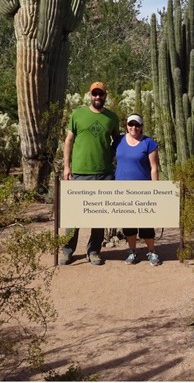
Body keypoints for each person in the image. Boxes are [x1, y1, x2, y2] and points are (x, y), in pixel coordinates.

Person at [61, 81, 120, 266]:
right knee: (74, 215)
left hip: (104, 172)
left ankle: (94, 251)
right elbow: (69, 141)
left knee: (99, 215)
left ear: (105, 96)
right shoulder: (78, 114)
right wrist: (67, 166)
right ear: (90, 95)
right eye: (94, 94)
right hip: (81, 171)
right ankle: (67, 250)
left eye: (100, 94)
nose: (97, 97)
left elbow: (117, 142)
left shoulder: (111, 117)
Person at [114, 113, 162, 266]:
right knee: (128, 224)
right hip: (122, 190)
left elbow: (154, 168)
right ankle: (132, 252)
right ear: (126, 125)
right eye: (131, 124)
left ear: (142, 127)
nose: (133, 127)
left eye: (137, 125)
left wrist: (155, 190)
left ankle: (152, 252)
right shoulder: (118, 141)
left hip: (143, 189)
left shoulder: (149, 143)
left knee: (146, 223)